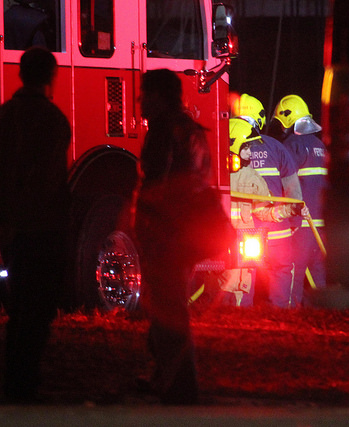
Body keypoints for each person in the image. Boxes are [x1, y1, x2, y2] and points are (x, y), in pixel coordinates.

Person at [133, 68, 217, 405]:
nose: (139, 101)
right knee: (170, 305)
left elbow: (157, 184)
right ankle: (167, 378)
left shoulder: (164, 130)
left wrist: (145, 226)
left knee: (168, 309)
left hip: (167, 234)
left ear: (158, 96)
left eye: (144, 94)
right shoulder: (190, 130)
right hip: (186, 234)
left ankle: (179, 385)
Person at [0, 46, 71, 403]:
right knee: (38, 309)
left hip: (11, 228)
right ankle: (25, 381)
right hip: (43, 229)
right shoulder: (55, 121)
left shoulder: (4, 115)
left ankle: (13, 379)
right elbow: (53, 181)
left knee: (17, 307)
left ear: (21, 74)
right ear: (51, 77)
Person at [213, 118, 306, 306]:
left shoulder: (251, 177)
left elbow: (263, 211)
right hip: (221, 251)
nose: (250, 152)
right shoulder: (214, 175)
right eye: (246, 147)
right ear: (233, 145)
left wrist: (289, 210)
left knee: (242, 301)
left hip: (242, 253)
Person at [232, 94, 303, 308]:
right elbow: (293, 191)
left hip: (240, 232)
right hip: (276, 230)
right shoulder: (275, 146)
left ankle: (239, 320)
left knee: (240, 280)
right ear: (259, 119)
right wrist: (294, 222)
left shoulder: (223, 146)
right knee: (281, 274)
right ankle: (280, 322)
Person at [269, 94, 328, 307]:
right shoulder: (321, 146)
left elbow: (285, 184)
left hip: (301, 225)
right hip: (322, 224)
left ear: (287, 119)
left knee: (293, 274)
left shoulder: (292, 145)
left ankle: (290, 317)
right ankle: (322, 317)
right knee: (318, 277)